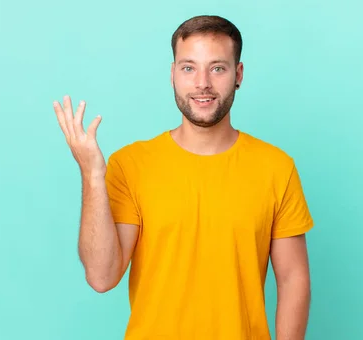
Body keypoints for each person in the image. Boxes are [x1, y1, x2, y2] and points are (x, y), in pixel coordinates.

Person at [53, 14, 314, 340]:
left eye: (217, 68)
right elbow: (102, 277)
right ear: (173, 75)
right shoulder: (130, 165)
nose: (202, 82)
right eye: (188, 68)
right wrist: (92, 175)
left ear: (238, 75)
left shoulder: (276, 168)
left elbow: (293, 279)